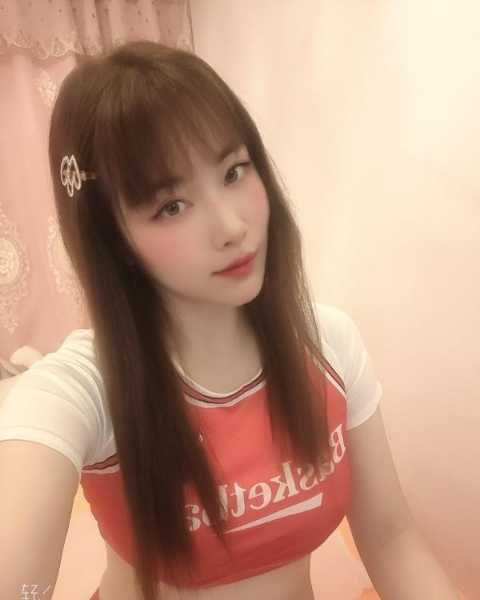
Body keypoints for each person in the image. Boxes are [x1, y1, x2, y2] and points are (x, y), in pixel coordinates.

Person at [0, 40, 384, 600]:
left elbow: (393, 538)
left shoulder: (327, 341)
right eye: (171, 206)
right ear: (115, 239)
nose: (232, 226)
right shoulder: (85, 387)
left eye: (233, 172)